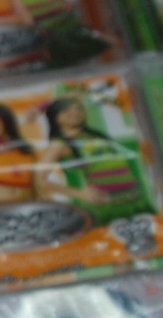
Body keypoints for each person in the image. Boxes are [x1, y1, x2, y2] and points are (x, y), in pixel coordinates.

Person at [39, 96, 150, 226]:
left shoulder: (95, 135)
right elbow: (40, 180)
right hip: (104, 205)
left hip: (134, 197)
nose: (74, 113)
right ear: (54, 116)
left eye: (78, 109)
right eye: (66, 111)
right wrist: (81, 194)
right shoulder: (59, 144)